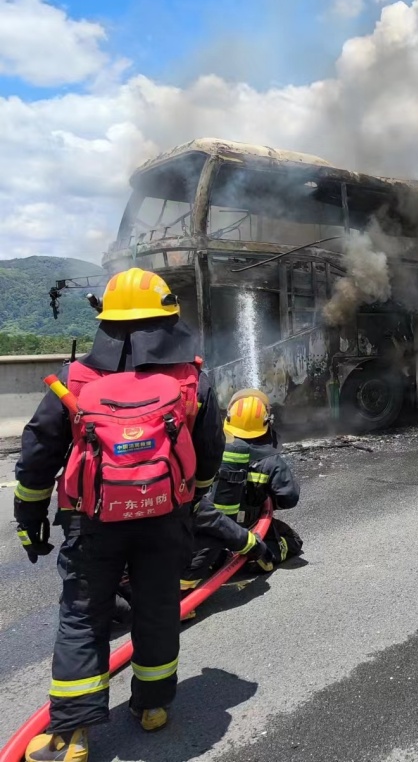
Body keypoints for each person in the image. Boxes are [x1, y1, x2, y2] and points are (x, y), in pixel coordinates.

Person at [14, 268, 227, 760]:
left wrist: (30, 516)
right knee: (157, 609)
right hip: (164, 518)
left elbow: (39, 452)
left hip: (92, 521)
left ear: (105, 322)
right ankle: (152, 707)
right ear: (170, 318)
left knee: (84, 616)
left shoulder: (75, 379)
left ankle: (73, 735)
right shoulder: (193, 378)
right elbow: (210, 450)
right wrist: (188, 504)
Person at [183, 389, 301, 587]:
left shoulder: (208, 451)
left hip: (201, 528)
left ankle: (220, 559)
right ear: (266, 423)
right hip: (250, 526)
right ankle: (259, 556)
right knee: (293, 540)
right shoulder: (270, 460)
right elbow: (289, 497)